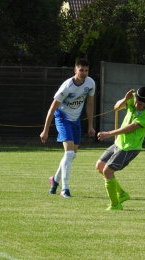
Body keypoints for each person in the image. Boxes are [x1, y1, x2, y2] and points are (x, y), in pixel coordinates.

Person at [40, 58, 96, 198]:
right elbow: (52, 109)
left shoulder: (90, 83)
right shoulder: (67, 86)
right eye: (81, 70)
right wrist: (45, 130)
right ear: (75, 70)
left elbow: (90, 105)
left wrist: (90, 125)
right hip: (62, 118)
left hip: (75, 120)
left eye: (86, 70)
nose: (84, 73)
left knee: (72, 155)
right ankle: (64, 188)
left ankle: (55, 179)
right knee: (69, 153)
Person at [95, 87, 145, 210]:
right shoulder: (132, 98)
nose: (136, 105)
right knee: (100, 166)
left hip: (130, 148)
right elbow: (116, 108)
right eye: (135, 102)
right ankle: (122, 194)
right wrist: (125, 99)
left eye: (140, 104)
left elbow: (131, 127)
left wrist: (109, 133)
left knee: (107, 171)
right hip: (119, 143)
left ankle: (115, 205)